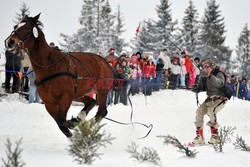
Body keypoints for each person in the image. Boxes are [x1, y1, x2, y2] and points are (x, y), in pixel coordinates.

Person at [191, 59, 229, 144]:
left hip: (220, 98)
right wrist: (196, 88)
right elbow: (201, 86)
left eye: (207, 67)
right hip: (210, 98)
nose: (205, 69)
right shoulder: (204, 75)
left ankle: (215, 135)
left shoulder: (219, 73)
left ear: (212, 66)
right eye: (204, 67)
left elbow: (220, 83)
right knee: (199, 111)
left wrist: (209, 76)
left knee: (211, 110)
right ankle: (200, 136)